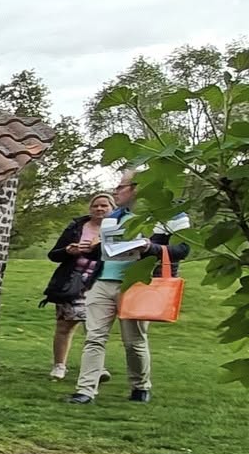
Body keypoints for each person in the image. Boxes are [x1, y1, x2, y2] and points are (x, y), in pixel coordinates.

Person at [69, 173, 191, 406]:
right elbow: (109, 250)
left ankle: (140, 386)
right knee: (94, 337)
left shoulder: (171, 214)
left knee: (133, 341)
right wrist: (90, 248)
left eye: (120, 186)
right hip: (103, 281)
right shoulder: (114, 216)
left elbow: (183, 249)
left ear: (138, 188)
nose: (115, 191)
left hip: (137, 285)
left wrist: (150, 246)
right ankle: (85, 390)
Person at [40, 192, 113, 380]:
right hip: (71, 281)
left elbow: (120, 255)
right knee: (65, 325)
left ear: (112, 209)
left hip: (99, 282)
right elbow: (54, 254)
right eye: (95, 205)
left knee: (94, 328)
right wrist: (69, 250)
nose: (99, 209)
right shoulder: (76, 227)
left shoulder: (117, 229)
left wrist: (99, 246)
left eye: (104, 205)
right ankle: (59, 366)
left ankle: (96, 368)